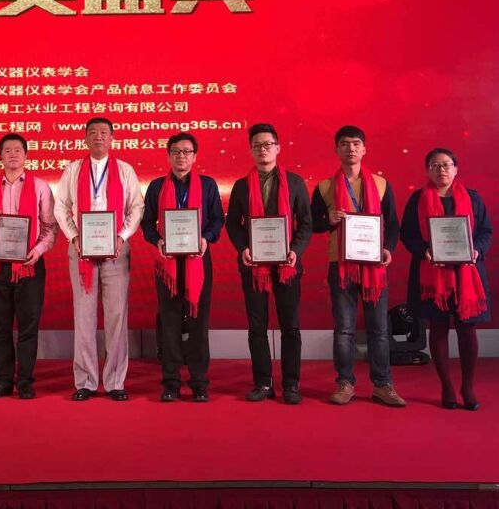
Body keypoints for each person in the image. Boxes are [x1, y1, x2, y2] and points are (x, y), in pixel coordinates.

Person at [310, 125, 405, 407]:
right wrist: (328, 220)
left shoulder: (381, 184)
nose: (350, 149)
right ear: (336, 150)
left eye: (355, 144)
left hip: (374, 265)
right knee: (344, 329)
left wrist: (388, 249)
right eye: (344, 144)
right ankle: (345, 382)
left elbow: (392, 224)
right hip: (340, 265)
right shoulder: (324, 187)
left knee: (379, 329)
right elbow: (313, 224)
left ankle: (383, 384)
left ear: (364, 149)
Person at [54, 117, 144, 401]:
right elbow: (61, 207)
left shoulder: (125, 170)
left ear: (112, 138)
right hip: (81, 250)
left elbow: (136, 207)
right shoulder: (73, 170)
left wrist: (122, 236)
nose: (98, 137)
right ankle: (86, 381)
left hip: (116, 250)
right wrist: (74, 237)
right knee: (83, 316)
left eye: (104, 132)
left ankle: (115, 381)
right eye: (92, 132)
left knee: (117, 316)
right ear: (85, 138)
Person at [225, 123, 312, 404]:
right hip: (254, 266)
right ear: (251, 150)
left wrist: (296, 250)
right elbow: (232, 224)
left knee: (290, 326)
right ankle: (263, 383)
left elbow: (306, 223)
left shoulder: (295, 182)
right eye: (257, 145)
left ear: (278, 148)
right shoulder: (241, 186)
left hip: (287, 265)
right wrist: (243, 248)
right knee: (257, 326)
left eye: (267, 144)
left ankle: (291, 384)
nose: (263, 149)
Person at [401, 148, 493, 410]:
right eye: (435, 165)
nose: (441, 169)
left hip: (467, 274)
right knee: (438, 327)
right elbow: (408, 234)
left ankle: (468, 387)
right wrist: (424, 250)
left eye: (446, 164)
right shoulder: (417, 199)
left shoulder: (473, 198)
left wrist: (477, 250)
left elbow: (486, 231)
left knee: (467, 329)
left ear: (456, 169)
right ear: (427, 170)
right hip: (432, 274)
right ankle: (447, 386)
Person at [140, 132, 224, 402]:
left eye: (187, 151)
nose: (181, 156)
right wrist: (157, 241)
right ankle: (171, 382)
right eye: (175, 151)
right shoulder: (156, 187)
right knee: (170, 322)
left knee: (199, 321)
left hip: (198, 260)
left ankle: (199, 382)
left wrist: (206, 238)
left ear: (195, 156)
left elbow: (217, 220)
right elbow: (146, 223)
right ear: (168, 156)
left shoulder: (208, 185)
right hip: (167, 263)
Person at [0, 133, 57, 399]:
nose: (12, 154)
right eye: (7, 150)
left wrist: (38, 250)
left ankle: (25, 381)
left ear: (26, 155)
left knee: (27, 327)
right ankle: (2, 381)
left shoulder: (41, 187)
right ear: (0, 156)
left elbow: (50, 227)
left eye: (17, 150)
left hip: (30, 265)